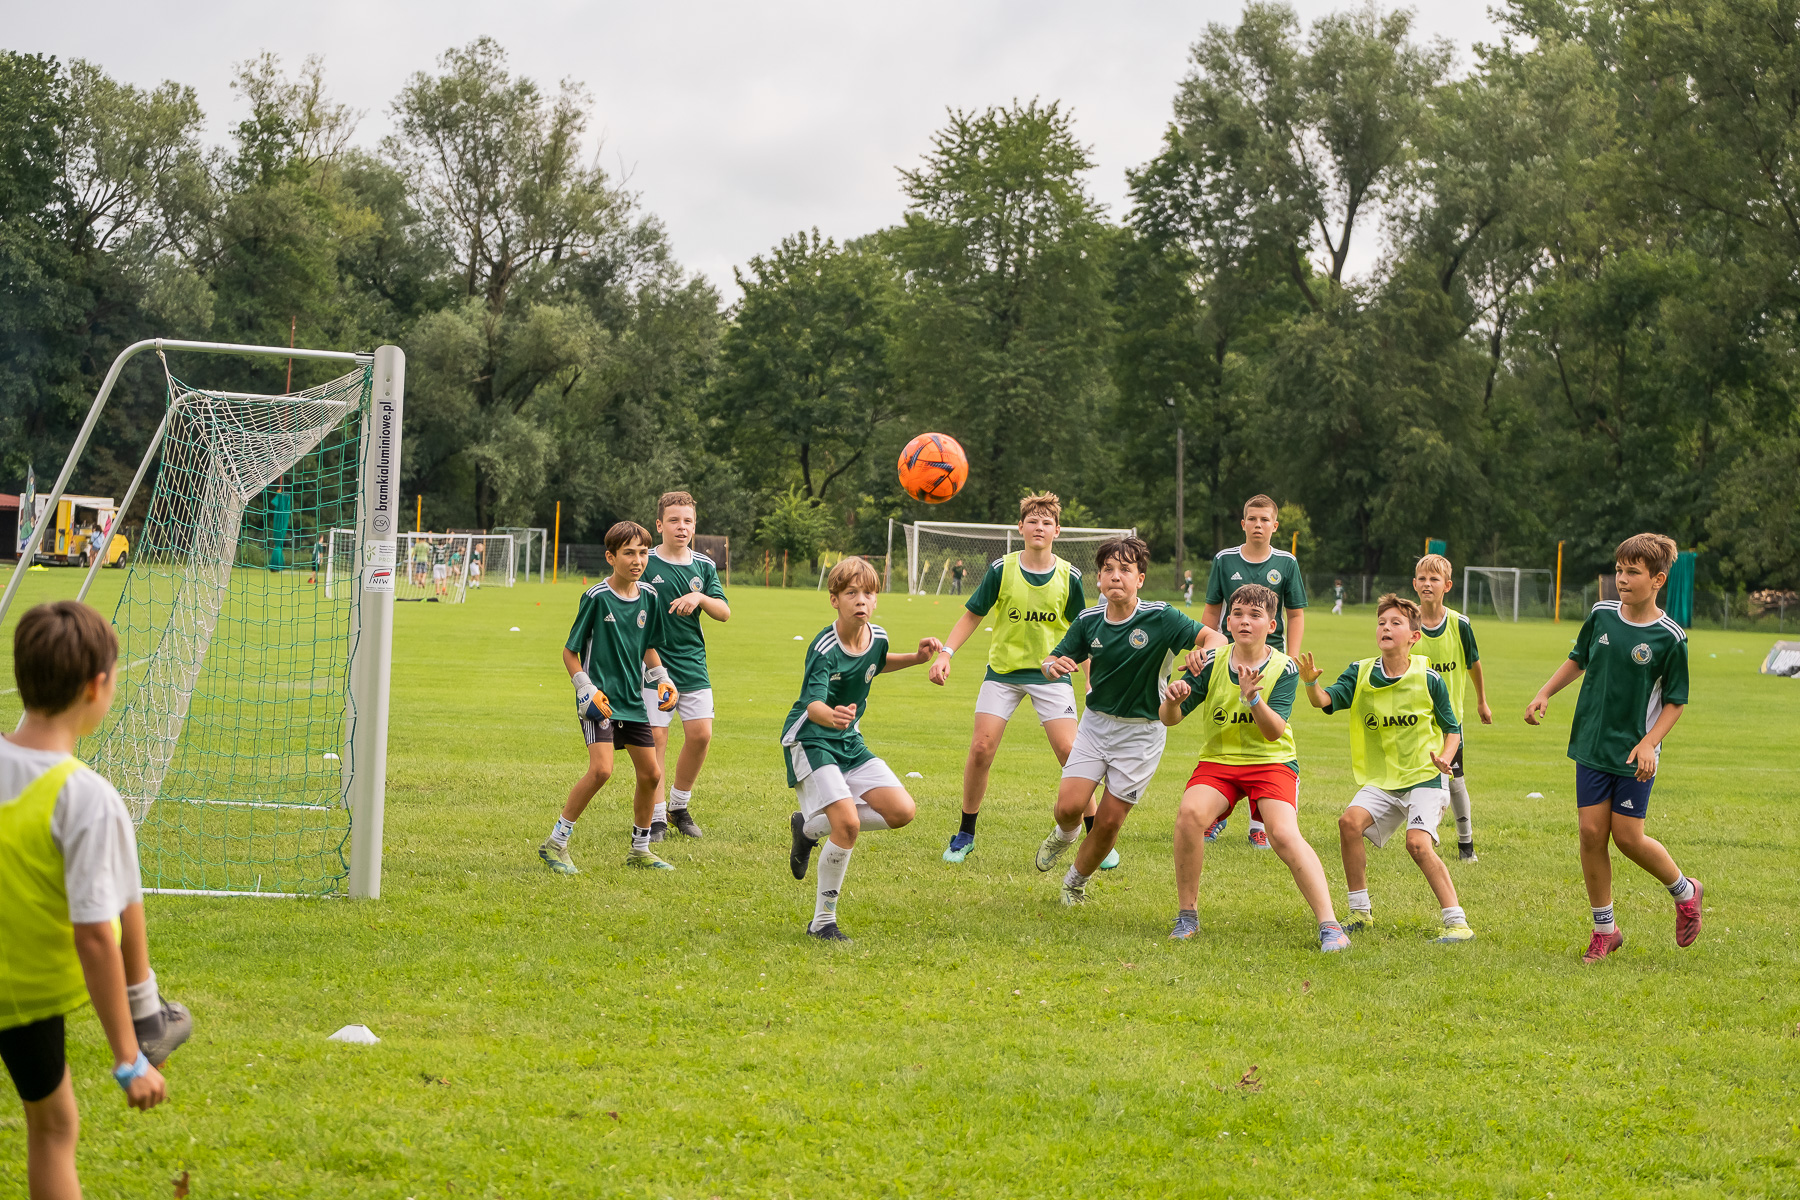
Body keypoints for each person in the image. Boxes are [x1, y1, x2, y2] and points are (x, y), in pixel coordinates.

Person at [2, 601, 191, 1200]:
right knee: (55, 1128)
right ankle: (147, 1007)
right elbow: (93, 935)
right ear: (97, 686)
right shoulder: (87, 799)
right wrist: (129, 1057)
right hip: (25, 999)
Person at [1526, 533, 1700, 964]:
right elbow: (1577, 658)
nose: (1621, 579)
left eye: (1632, 572)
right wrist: (1545, 693)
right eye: (1619, 570)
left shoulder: (1669, 637)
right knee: (1590, 834)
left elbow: (1676, 702)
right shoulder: (1601, 615)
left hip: (1634, 754)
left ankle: (1685, 891)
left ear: (1657, 579)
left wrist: (1649, 742)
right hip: (1592, 743)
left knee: (1628, 838)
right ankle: (1605, 930)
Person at [1033, 535, 1226, 906]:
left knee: (1107, 822)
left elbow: (1215, 638)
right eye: (1108, 570)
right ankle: (1064, 834)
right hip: (1095, 726)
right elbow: (1050, 660)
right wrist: (1052, 666)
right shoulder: (1089, 620)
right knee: (1068, 807)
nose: (1115, 576)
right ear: (1099, 579)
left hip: (1141, 735)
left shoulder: (1161, 617)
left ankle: (1075, 882)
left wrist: (1203, 656)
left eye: (1125, 569)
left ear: (1140, 578)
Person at [1160, 586, 1349, 951]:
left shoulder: (1284, 667)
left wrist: (1253, 698)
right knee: (1189, 816)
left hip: (1271, 762)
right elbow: (1170, 719)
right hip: (1219, 761)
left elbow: (1273, 730)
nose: (1245, 621)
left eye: (1255, 615)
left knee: (1282, 834)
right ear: (1227, 621)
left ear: (1271, 624)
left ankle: (1330, 925)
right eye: (1239, 614)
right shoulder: (1211, 659)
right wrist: (1173, 699)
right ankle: (1187, 917)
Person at [928, 492, 1106, 866]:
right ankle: (965, 833)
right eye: (1032, 521)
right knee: (981, 749)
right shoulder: (1001, 569)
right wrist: (947, 652)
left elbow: (1083, 633)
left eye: (1046, 522)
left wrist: (1091, 683)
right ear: (1020, 527)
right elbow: (972, 615)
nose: (1039, 527)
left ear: (1057, 530)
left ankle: (1097, 835)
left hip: (1052, 676)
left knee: (1070, 754)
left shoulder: (1069, 576)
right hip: (1003, 674)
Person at [1298, 594, 1474, 943]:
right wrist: (1310, 682)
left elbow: (1452, 730)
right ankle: (1360, 914)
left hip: (1425, 777)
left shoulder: (1429, 678)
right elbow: (1325, 701)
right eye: (1381, 623)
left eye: (1395, 623)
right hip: (1383, 780)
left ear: (1413, 636)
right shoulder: (1360, 672)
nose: (1386, 628)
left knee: (1417, 844)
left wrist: (1445, 757)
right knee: (1349, 823)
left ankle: (1458, 922)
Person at [784, 558, 940, 942]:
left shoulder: (879, 635)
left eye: (868, 593)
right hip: (813, 738)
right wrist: (831, 716)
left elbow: (877, 662)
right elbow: (812, 704)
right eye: (851, 593)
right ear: (834, 600)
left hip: (849, 739)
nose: (861, 600)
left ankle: (808, 828)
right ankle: (822, 922)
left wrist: (917, 659)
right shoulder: (824, 647)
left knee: (902, 811)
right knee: (849, 825)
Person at [539, 521, 679, 874]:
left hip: (633, 701)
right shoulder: (596, 597)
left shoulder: (650, 596)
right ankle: (556, 843)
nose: (637, 560)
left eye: (643, 553)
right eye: (628, 553)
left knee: (651, 774)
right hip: (598, 702)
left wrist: (662, 679)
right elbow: (570, 652)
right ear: (610, 557)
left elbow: (647, 646)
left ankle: (641, 850)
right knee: (601, 770)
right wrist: (585, 689)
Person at [1201, 494, 1308, 848]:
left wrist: (1291, 657)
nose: (1258, 524)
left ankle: (1258, 822)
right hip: (1229, 656)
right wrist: (1206, 650)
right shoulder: (1224, 560)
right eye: (1252, 518)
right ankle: (1217, 811)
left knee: (1266, 730)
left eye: (1265, 519)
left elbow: (1295, 613)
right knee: (1228, 725)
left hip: (1271, 660)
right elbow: (1212, 611)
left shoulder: (1287, 562)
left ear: (1274, 525)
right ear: (1243, 523)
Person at [641, 492, 730, 842]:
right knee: (657, 738)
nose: (682, 527)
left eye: (688, 521)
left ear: (695, 526)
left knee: (701, 735)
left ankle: (680, 805)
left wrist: (701, 597)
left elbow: (724, 613)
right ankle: (658, 817)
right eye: (674, 520)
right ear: (660, 525)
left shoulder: (704, 566)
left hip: (693, 662)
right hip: (653, 664)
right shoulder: (643, 562)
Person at [1412, 554, 1491, 861]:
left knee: (1455, 782)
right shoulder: (1408, 620)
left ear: (1447, 585)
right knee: (1417, 778)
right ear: (1414, 583)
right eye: (1422, 578)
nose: (1427, 584)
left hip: (1449, 721)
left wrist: (1481, 700)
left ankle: (1466, 844)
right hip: (1415, 718)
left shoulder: (1459, 624)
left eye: (1434, 579)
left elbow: (1474, 664)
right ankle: (1424, 830)